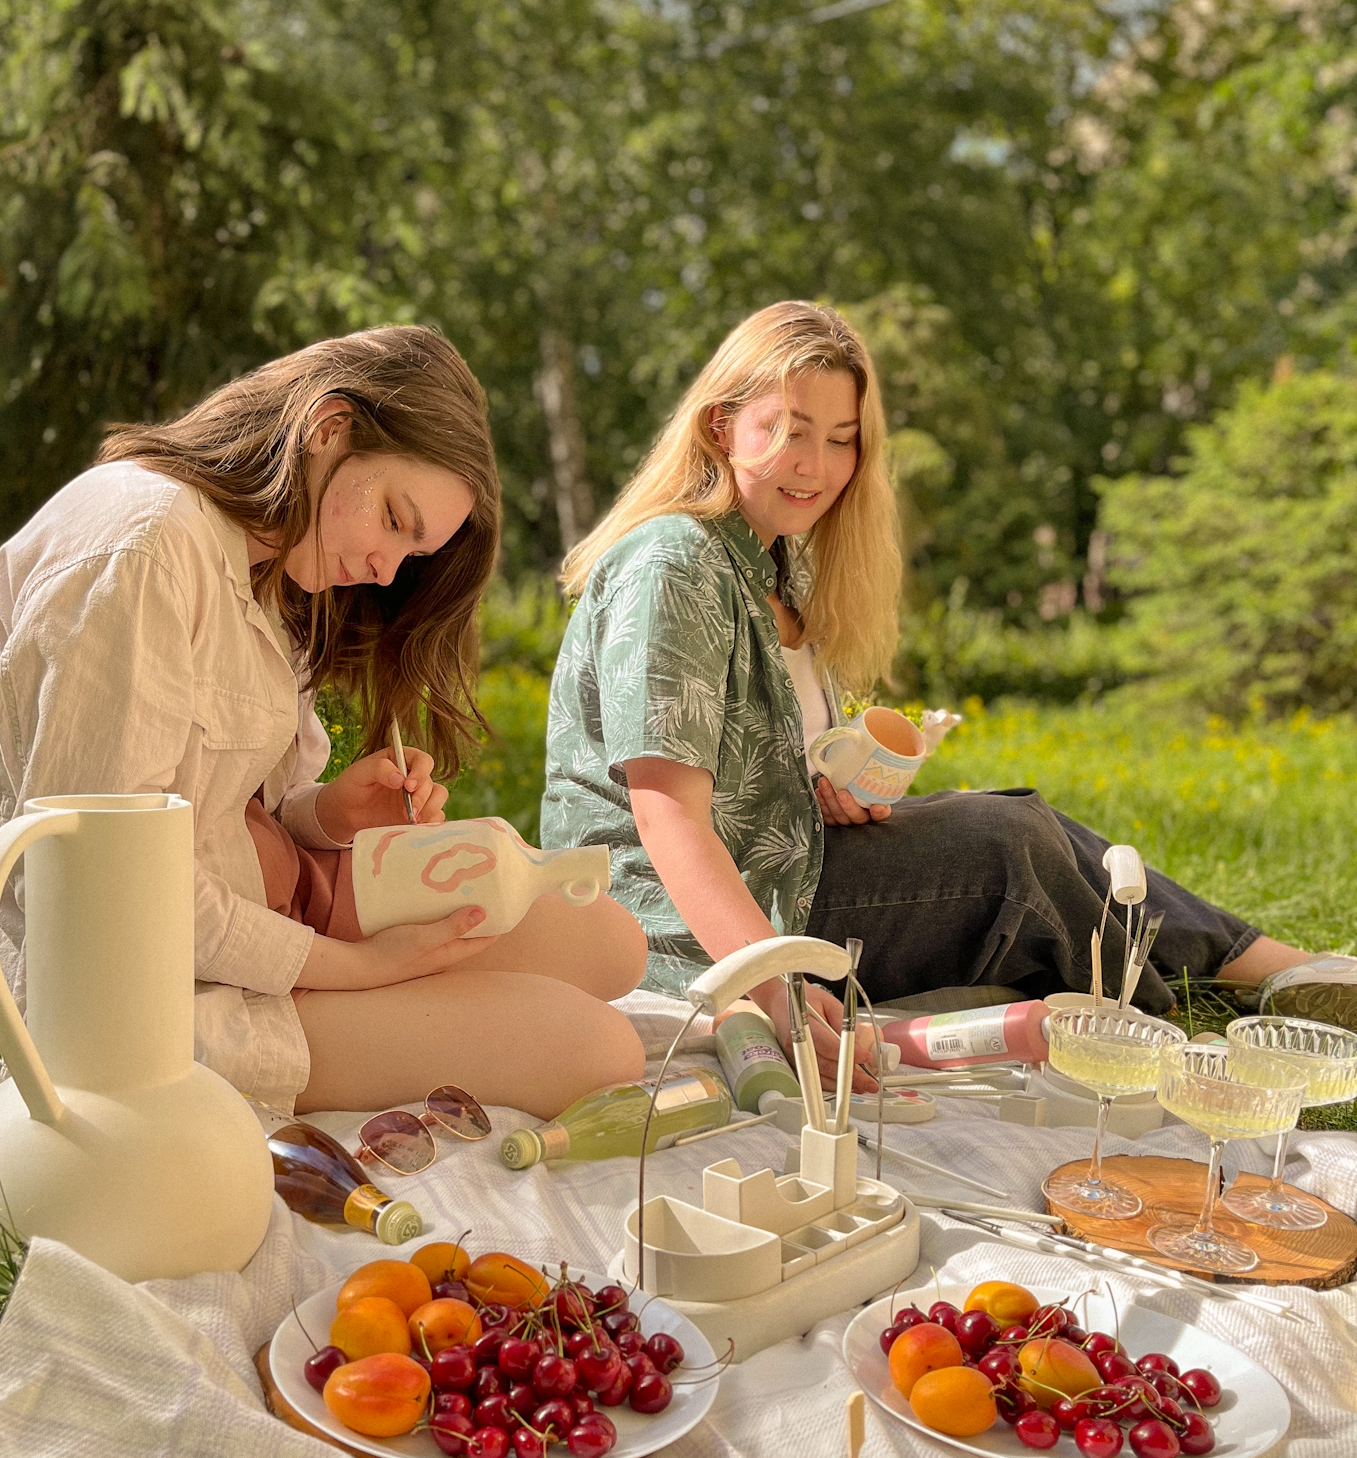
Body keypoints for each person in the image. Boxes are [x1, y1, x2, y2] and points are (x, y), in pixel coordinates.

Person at [542, 300, 1341, 1088]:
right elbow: (667, 816)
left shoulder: (777, 566)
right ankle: (1162, 1030)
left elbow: (739, 777)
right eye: (787, 430)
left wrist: (817, 791)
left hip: (784, 870)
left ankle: (1275, 968)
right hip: (679, 929)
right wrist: (775, 985)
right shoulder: (675, 566)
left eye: (841, 439)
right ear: (721, 425)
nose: (814, 464)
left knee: (1023, 817)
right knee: (1010, 843)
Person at [0, 326, 647, 1121]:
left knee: (608, 942)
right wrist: (365, 969)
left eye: (412, 555)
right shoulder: (144, 554)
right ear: (328, 428)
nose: (386, 572)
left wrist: (329, 814)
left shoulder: (264, 552)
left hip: (270, 908)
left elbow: (230, 805)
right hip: (159, 995)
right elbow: (106, 893)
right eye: (393, 519)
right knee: (601, 1052)